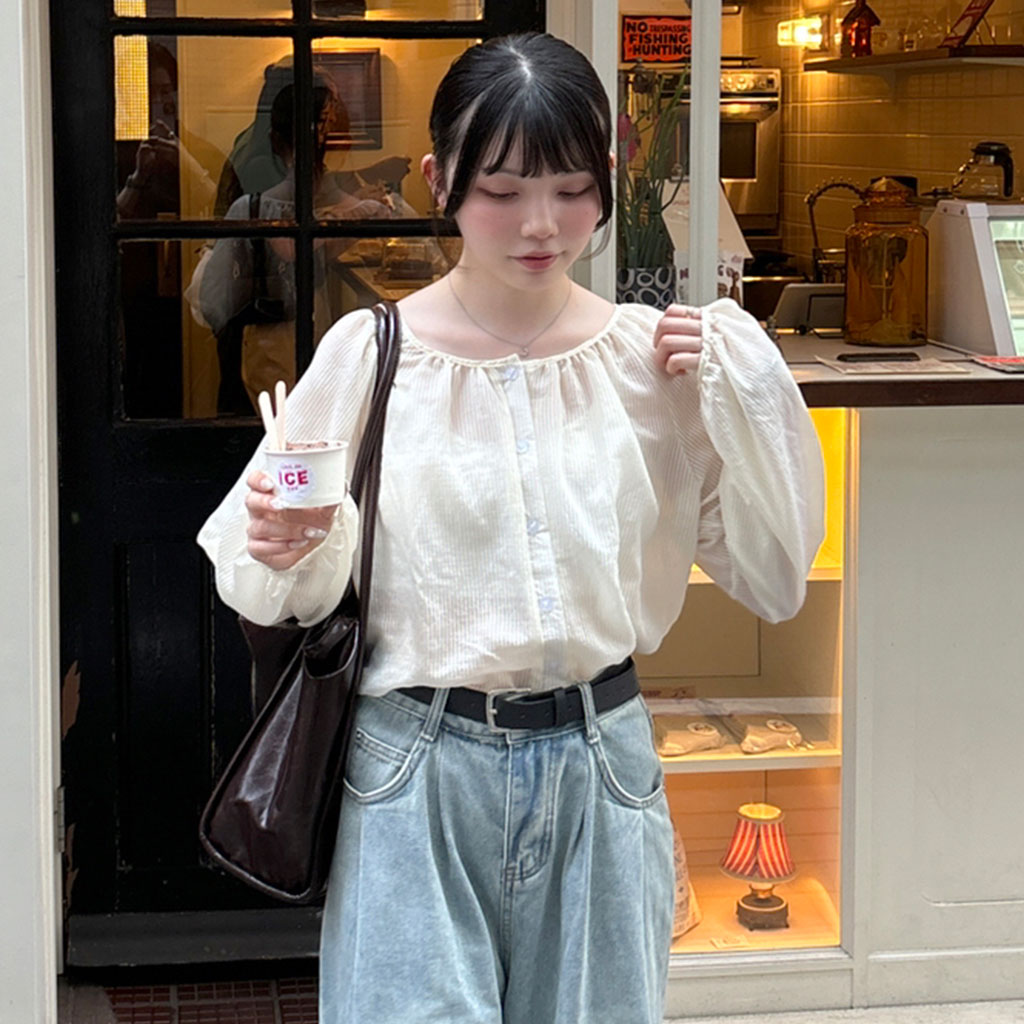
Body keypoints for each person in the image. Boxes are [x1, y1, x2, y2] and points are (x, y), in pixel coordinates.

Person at [197, 32, 824, 1024]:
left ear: (605, 182)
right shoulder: (371, 354)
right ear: (440, 180)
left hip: (601, 764)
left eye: (572, 189)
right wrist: (287, 546)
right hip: (413, 768)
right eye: (501, 190)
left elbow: (773, 575)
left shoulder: (650, 363)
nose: (541, 223)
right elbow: (267, 563)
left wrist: (743, 389)